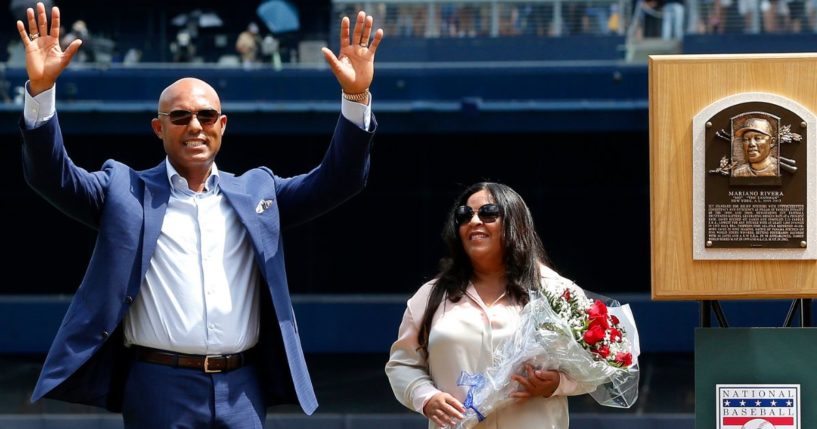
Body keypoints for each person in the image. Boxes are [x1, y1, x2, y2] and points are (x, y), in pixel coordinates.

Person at [15, 2, 383, 428]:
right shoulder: (124, 190)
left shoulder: (258, 191)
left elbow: (338, 181)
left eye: (206, 116)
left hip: (242, 387)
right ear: (159, 128)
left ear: (222, 125)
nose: (195, 126)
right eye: (181, 116)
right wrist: (40, 92)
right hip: (159, 386)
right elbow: (51, 177)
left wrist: (356, 98)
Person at [385, 182, 595, 429]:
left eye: (488, 213)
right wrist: (426, 397)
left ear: (515, 222)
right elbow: (402, 364)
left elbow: (596, 363)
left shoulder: (555, 291)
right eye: (464, 215)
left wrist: (557, 383)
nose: (474, 221)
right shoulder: (431, 295)